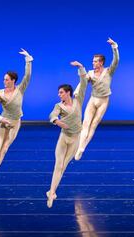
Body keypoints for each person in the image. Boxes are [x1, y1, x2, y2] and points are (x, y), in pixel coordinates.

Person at [0, 49, 33, 189]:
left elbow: (28, 76)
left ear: (13, 80)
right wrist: (0, 119)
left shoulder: (20, 89)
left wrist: (28, 59)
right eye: (4, 79)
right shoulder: (0, 93)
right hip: (3, 122)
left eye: (6, 79)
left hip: (15, 122)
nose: (4, 81)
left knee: (4, 149)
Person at [47, 61, 88, 208]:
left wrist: (81, 67)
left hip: (75, 138)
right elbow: (52, 115)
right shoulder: (59, 106)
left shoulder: (78, 100)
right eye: (58, 93)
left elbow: (83, 82)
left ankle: (51, 191)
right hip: (64, 138)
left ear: (68, 92)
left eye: (61, 92)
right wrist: (57, 122)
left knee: (63, 166)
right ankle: (52, 193)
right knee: (58, 165)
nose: (59, 95)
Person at [74, 38, 119, 160]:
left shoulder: (108, 71)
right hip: (93, 100)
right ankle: (79, 148)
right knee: (85, 124)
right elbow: (83, 82)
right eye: (93, 61)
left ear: (101, 63)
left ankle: (83, 147)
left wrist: (114, 47)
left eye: (95, 62)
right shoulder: (90, 73)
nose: (93, 63)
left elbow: (116, 61)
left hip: (103, 101)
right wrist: (77, 90)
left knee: (93, 125)